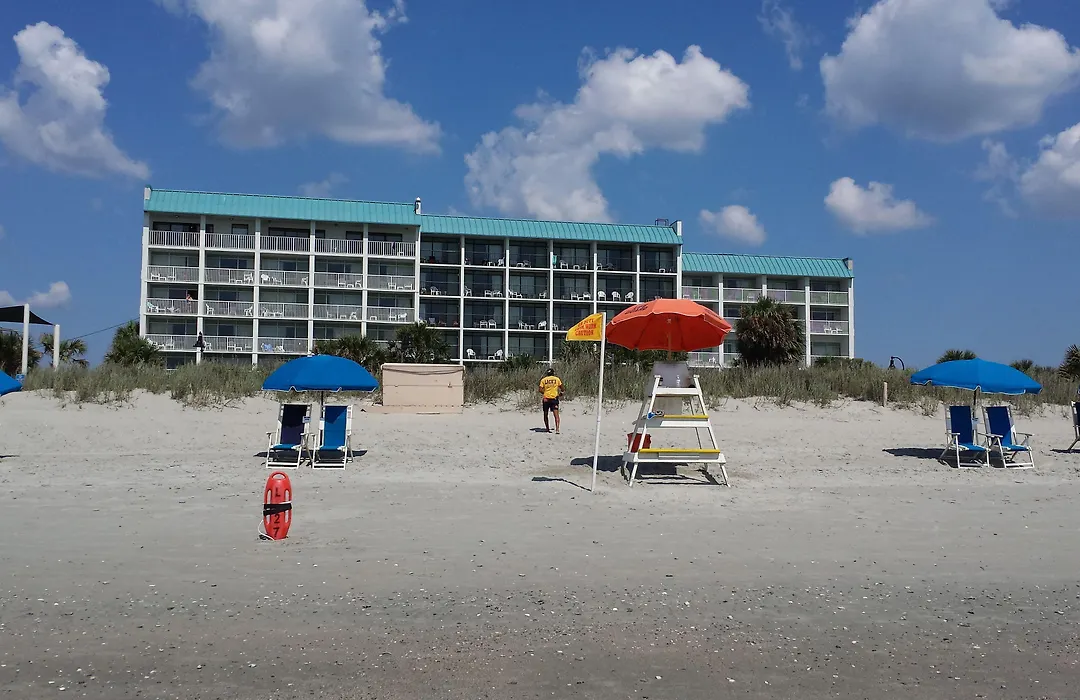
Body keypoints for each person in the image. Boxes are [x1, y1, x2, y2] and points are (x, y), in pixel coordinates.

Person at [538, 368, 563, 434]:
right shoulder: (557, 379)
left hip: (546, 398)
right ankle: (557, 429)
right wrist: (561, 393)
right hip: (554, 398)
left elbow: (540, 389)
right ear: (553, 373)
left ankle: (547, 428)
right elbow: (562, 388)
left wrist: (545, 393)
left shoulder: (543, 380)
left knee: (545, 414)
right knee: (556, 414)